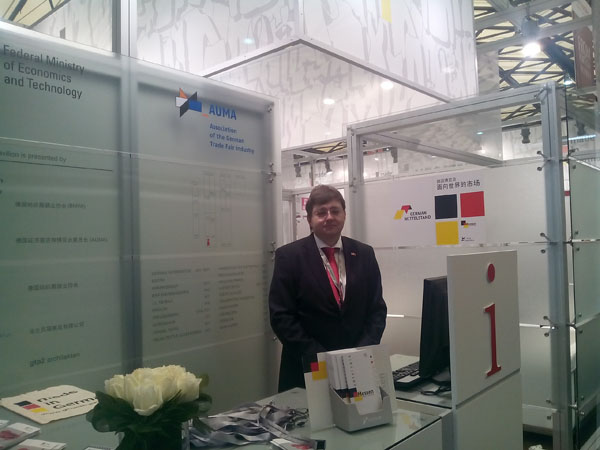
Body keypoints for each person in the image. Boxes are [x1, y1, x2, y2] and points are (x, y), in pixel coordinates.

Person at [269, 184, 387, 392]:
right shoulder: (289, 256)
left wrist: (361, 351)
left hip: (356, 366)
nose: (329, 217)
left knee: (359, 411)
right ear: (310, 219)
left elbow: (376, 309)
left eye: (335, 211)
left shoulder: (364, 253)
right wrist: (323, 360)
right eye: (321, 212)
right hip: (307, 368)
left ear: (344, 215)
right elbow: (281, 316)